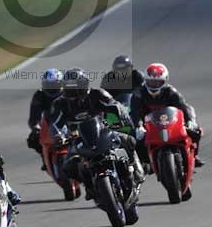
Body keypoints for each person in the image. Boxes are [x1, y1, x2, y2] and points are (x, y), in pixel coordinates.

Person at [50, 68, 144, 198]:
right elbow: (55, 123)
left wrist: (121, 118)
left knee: (128, 140)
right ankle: (89, 185)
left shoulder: (98, 94)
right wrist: (57, 135)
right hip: (79, 138)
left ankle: (134, 168)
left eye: (76, 90)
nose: (73, 94)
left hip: (104, 131)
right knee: (67, 166)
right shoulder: (60, 103)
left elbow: (115, 105)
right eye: (69, 90)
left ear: (84, 86)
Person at [130, 63, 205, 167]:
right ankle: (138, 164)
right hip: (148, 126)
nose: (153, 86)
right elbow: (134, 112)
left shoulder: (171, 92)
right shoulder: (138, 94)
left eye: (157, 83)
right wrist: (138, 126)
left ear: (165, 81)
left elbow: (184, 107)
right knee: (132, 139)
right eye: (150, 82)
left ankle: (194, 156)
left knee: (196, 131)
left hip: (170, 122)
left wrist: (190, 121)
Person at [27, 69, 64, 168]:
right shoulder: (40, 95)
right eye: (48, 85)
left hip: (68, 121)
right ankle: (45, 157)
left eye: (54, 85)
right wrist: (36, 127)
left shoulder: (68, 92)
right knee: (33, 138)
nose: (51, 88)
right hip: (49, 123)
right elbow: (34, 117)